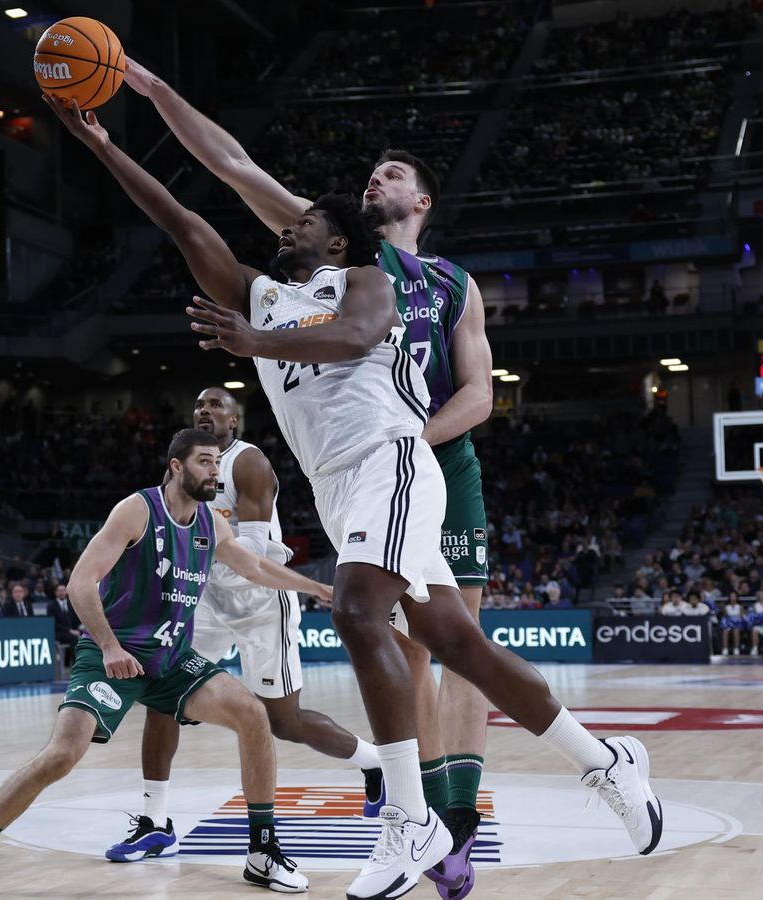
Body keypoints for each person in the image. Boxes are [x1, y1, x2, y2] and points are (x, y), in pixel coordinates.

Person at [45, 97, 663, 899]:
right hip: (339, 487)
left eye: (302, 223)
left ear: (336, 238)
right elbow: (179, 217)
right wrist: (102, 148)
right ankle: (603, 760)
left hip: (392, 460)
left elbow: (358, 338)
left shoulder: (364, 280)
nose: (285, 229)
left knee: (357, 610)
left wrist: (255, 345)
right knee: (458, 643)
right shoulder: (257, 293)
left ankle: (409, 820)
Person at [119, 62, 501, 891]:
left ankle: (457, 821)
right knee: (400, 645)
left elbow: (479, 394)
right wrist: (153, 89)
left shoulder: (454, 284)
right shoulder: (328, 241)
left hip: (432, 460)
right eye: (370, 173)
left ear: (422, 202)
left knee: (460, 643)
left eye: (392, 173)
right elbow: (230, 165)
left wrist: (412, 440)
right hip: (365, 465)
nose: (375, 177)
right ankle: (418, 814)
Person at [0, 429, 328, 898]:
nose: (215, 472)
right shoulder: (137, 510)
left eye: (218, 464)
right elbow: (80, 583)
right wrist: (109, 647)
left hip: (172, 661)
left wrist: (320, 589)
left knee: (254, 715)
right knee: (63, 754)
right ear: (177, 466)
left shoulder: (211, 523)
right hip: (113, 657)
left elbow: (256, 568)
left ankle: (262, 852)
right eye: (205, 462)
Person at [107, 388, 384, 864]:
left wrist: (210, 534)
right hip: (206, 603)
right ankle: (155, 822)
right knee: (161, 702)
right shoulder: (183, 471)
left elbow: (250, 558)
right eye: (198, 406)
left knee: (284, 723)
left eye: (215, 406)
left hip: (260, 603)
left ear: (234, 422)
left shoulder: (248, 463)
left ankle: (374, 762)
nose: (204, 411)